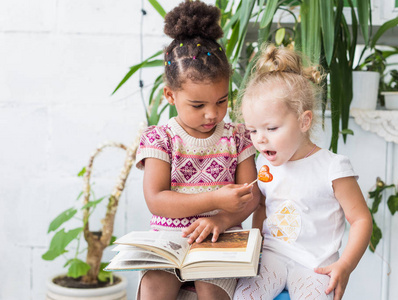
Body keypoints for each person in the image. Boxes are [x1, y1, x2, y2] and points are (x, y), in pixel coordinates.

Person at [134, 1, 260, 300]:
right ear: (170, 95)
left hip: (220, 237)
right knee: (153, 287)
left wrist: (221, 219)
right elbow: (156, 200)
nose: (211, 114)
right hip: (168, 241)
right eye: (197, 105)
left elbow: (251, 193)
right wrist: (215, 199)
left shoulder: (237, 137)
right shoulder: (160, 138)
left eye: (221, 101)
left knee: (210, 288)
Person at [233, 44, 373, 300]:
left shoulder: (333, 167)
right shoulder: (264, 165)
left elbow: (361, 220)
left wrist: (346, 265)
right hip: (271, 258)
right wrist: (256, 248)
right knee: (242, 295)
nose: (260, 140)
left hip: (315, 265)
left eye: (271, 128)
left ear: (304, 121)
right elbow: (262, 206)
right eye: (253, 130)